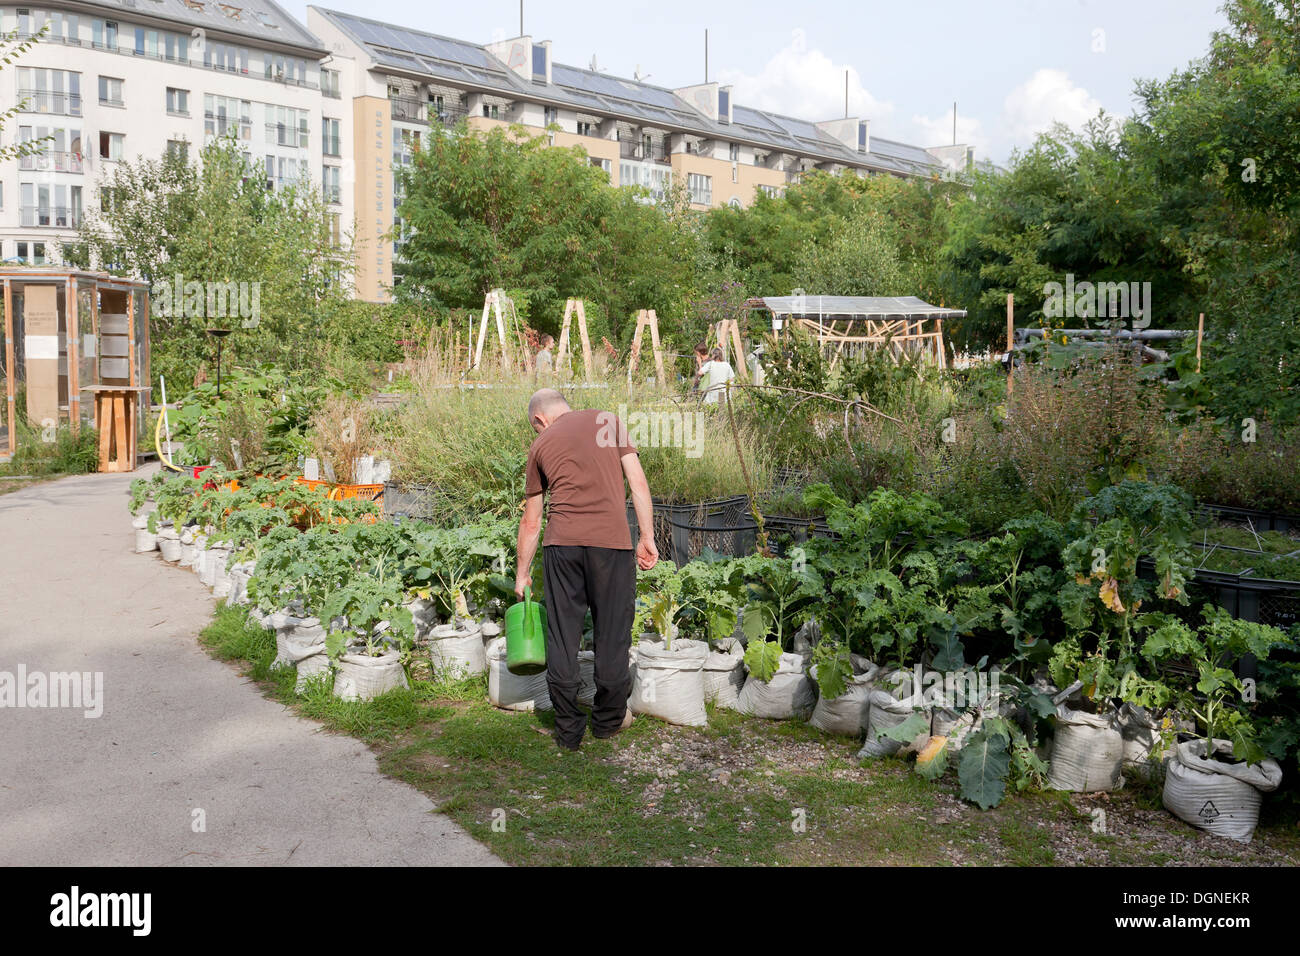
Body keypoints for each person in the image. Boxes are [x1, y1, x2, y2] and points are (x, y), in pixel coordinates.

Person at [515, 388, 658, 751]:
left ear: (539, 420)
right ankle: (608, 721)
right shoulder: (607, 422)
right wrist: (647, 536)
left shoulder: (541, 444)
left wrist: (522, 572)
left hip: (562, 547)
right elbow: (638, 484)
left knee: (563, 636)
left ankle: (568, 730)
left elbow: (532, 522)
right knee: (612, 632)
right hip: (611, 545)